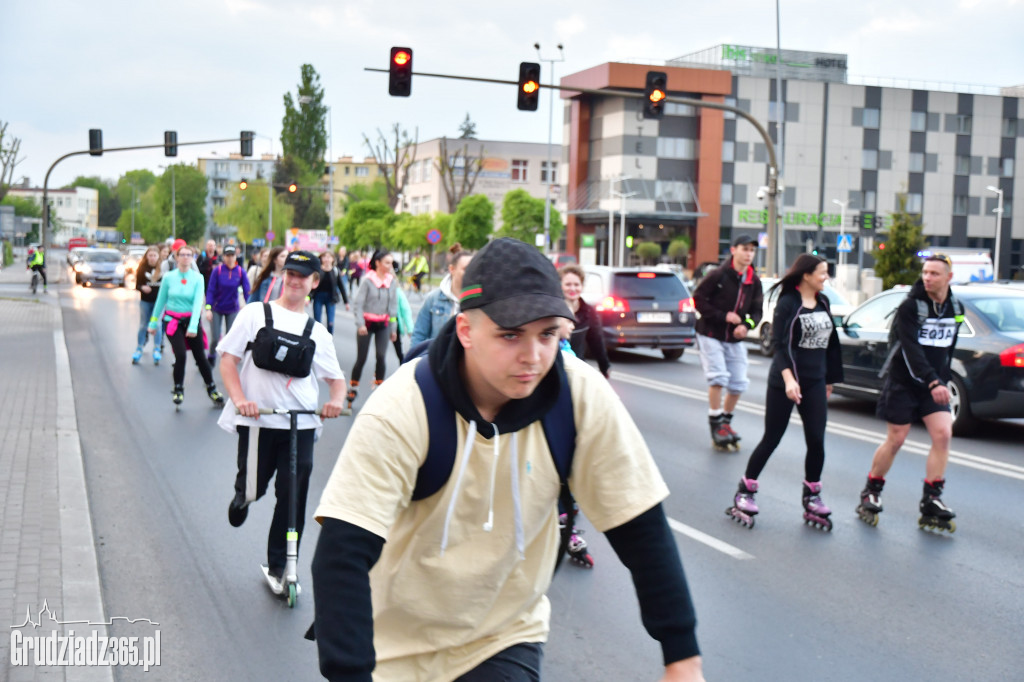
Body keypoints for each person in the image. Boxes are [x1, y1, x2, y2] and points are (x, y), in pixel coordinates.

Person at [309, 238, 703, 682]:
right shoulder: (403, 407)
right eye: (511, 334)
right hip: (392, 649)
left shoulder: (578, 397)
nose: (533, 357)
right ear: (465, 331)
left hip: (503, 636)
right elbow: (341, 554)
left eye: (548, 334)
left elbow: (641, 527)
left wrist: (682, 659)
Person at [217, 251, 347, 595]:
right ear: (281, 274)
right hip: (258, 422)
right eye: (290, 272)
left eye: (302, 276)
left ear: (314, 283)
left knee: (292, 498)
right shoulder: (255, 314)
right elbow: (228, 361)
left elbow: (337, 382)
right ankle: (243, 497)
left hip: (299, 427)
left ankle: (283, 565)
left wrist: (335, 401)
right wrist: (240, 399)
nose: (294, 280)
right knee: (254, 487)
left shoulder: (318, 332)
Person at [725, 254, 843, 531]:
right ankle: (745, 490)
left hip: (814, 381)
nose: (826, 277)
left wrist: (830, 379)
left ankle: (812, 496)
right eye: (822, 273)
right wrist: (790, 380)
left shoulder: (823, 302)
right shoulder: (788, 303)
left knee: (816, 439)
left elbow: (831, 342)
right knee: (772, 438)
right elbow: (780, 345)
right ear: (806, 276)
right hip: (785, 382)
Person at [856, 254, 962, 532]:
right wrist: (933, 382)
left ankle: (932, 499)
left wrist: (943, 378)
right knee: (896, 439)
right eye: (925, 272)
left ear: (949, 277)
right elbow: (911, 351)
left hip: (934, 382)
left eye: (935, 274)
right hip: (905, 382)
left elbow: (948, 349)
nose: (928, 278)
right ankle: (871, 490)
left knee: (943, 435)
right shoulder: (910, 307)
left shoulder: (957, 307)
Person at [693, 234, 763, 451]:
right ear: (734, 250)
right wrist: (722, 316)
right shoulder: (719, 275)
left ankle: (725, 423)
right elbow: (698, 299)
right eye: (745, 249)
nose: (749, 254)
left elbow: (757, 311)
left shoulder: (754, 281)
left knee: (739, 382)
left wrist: (747, 326)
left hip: (734, 338)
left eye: (752, 250)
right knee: (718, 377)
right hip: (711, 333)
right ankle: (715, 424)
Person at [148, 244, 225, 407]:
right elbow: (161, 301)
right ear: (176, 257)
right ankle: (178, 389)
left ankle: (211, 388)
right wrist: (153, 322)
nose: (185, 258)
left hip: (191, 321)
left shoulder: (198, 278)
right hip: (172, 321)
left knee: (200, 357)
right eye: (182, 255)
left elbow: (198, 303)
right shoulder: (169, 277)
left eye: (189, 255)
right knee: (181, 355)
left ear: (193, 258)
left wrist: (192, 327)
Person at [346, 249, 398, 409]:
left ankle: (379, 389)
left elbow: (393, 306)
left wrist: (393, 328)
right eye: (387, 263)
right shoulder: (367, 280)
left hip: (383, 324)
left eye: (391, 263)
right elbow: (358, 304)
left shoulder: (392, 281)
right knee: (361, 358)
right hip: (366, 325)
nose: (390, 266)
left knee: (381, 356)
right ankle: (353, 388)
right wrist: (360, 324)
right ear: (378, 263)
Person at [410, 244, 472, 346]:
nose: (470, 272)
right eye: (466, 269)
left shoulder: (478, 300)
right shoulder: (434, 298)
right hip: (437, 359)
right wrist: (418, 359)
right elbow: (419, 335)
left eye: (472, 268)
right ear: (452, 269)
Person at [559, 264, 611, 378]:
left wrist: (604, 366)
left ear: (582, 286)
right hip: (558, 370)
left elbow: (596, 340)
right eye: (568, 284)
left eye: (576, 284)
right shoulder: (555, 311)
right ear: (560, 286)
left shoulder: (588, 311)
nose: (572, 288)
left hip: (579, 369)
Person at [204, 244, 251, 367]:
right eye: (227, 256)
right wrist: (208, 308)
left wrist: (251, 307)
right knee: (215, 337)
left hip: (232, 308)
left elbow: (247, 291)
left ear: (236, 256)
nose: (230, 258)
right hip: (216, 308)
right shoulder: (218, 271)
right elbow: (210, 290)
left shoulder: (240, 272)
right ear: (223, 257)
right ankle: (211, 355)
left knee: (230, 336)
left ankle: (228, 361)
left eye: (232, 255)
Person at [132, 246, 163, 365]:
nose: (152, 258)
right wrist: (142, 287)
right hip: (145, 301)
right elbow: (137, 285)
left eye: (155, 255)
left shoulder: (162, 268)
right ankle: (139, 347)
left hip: (158, 302)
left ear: (158, 256)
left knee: (157, 324)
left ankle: (157, 348)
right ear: (147, 256)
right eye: (150, 255)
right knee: (143, 325)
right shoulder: (142, 267)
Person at [311, 250, 342, 334]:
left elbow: (341, 286)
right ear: (321, 258)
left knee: (330, 322)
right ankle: (317, 339)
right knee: (317, 321)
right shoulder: (317, 270)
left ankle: (329, 340)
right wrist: (308, 298)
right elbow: (311, 285)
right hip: (318, 297)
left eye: (329, 257)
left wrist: (346, 302)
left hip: (331, 298)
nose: (326, 259)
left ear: (332, 259)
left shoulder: (335, 270)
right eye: (324, 257)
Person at [392, 285, 413, 362]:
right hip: (379, 323)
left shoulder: (397, 291)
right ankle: (378, 373)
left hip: (394, 324)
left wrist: (410, 329)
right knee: (380, 354)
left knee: (400, 352)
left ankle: (402, 366)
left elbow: (405, 310)